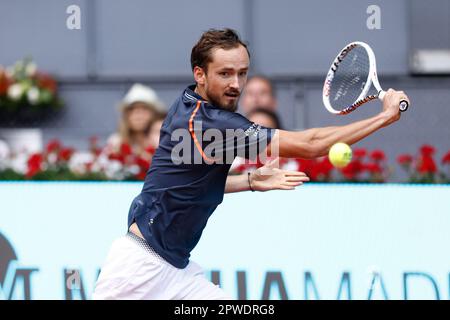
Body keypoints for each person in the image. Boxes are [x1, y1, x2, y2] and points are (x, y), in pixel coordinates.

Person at [93, 28, 409, 300]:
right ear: (199, 74)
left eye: (242, 73)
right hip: (136, 270)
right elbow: (311, 145)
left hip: (176, 272)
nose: (236, 84)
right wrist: (384, 117)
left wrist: (249, 181)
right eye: (225, 73)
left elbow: (189, 184)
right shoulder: (212, 123)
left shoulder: (188, 105)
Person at [104, 83, 166, 160]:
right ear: (126, 115)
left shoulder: (162, 141)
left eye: (144, 109)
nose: (138, 116)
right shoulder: (115, 142)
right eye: (132, 110)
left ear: (154, 114)